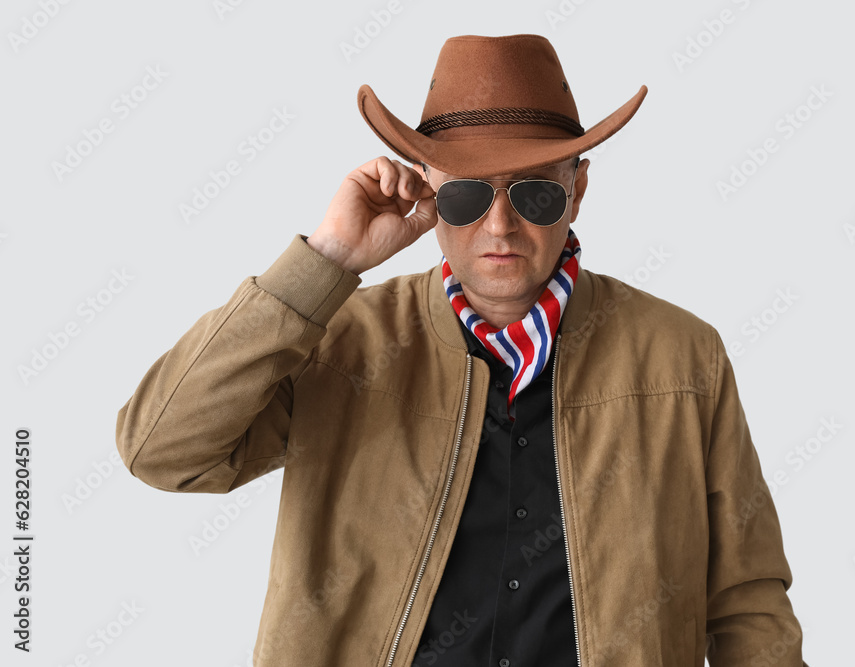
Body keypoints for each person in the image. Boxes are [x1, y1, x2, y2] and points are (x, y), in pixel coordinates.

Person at [115, 33, 807, 666]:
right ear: (426, 189)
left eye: (535, 193)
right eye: (468, 194)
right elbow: (161, 450)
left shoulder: (683, 358)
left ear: (579, 189)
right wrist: (324, 263)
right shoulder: (338, 341)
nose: (499, 224)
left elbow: (748, 601)